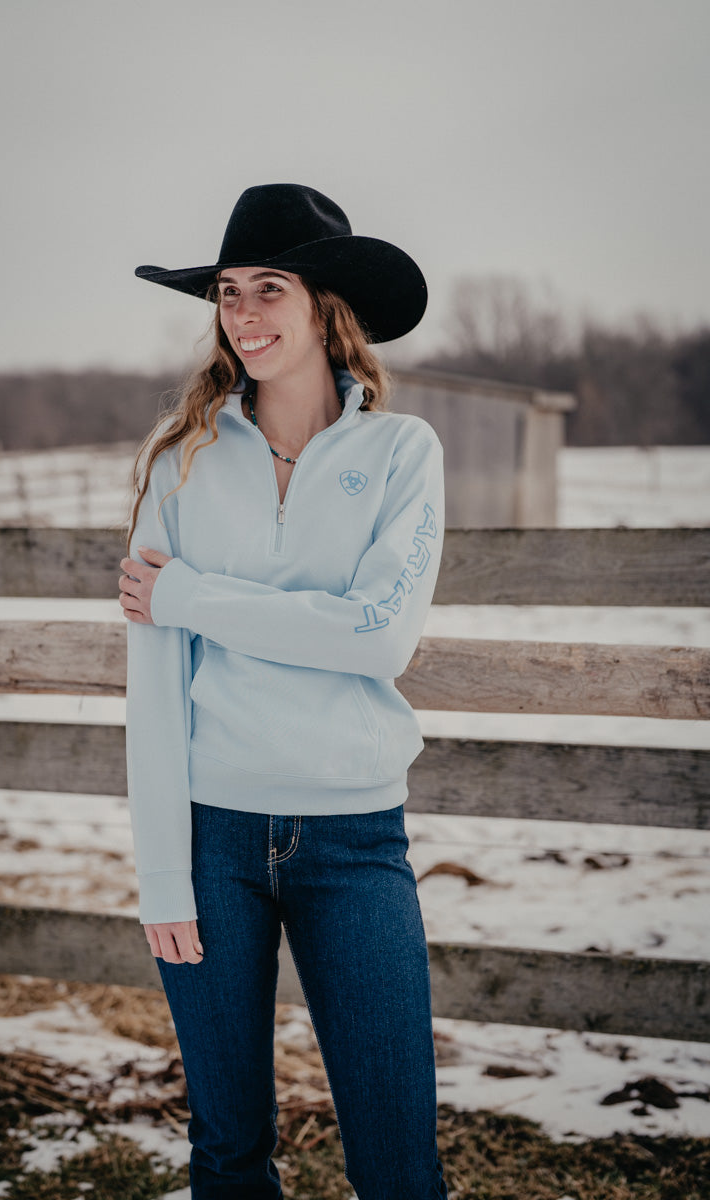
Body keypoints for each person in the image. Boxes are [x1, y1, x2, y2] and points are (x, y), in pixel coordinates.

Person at [119, 183, 447, 1200]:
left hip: (355, 841)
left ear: (324, 307)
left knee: (396, 1160)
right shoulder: (179, 462)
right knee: (226, 1150)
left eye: (271, 288)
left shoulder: (400, 453)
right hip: (212, 842)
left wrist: (191, 597)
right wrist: (162, 874)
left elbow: (379, 637)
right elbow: (154, 683)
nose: (245, 313)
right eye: (229, 292)